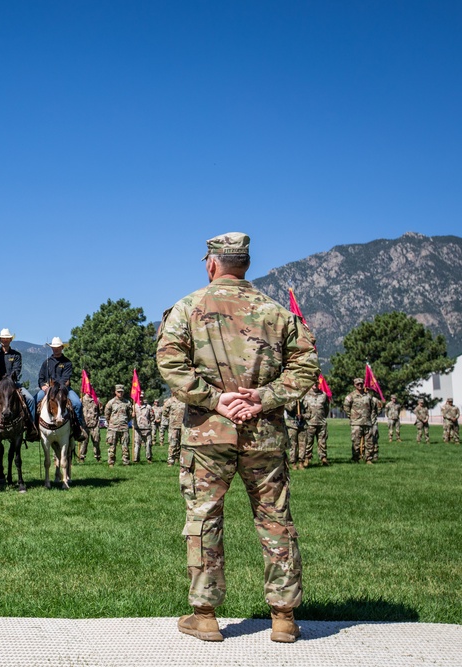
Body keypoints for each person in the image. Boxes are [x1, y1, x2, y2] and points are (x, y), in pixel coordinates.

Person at [156, 231, 317, 644]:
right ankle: (283, 617)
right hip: (264, 435)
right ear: (245, 264)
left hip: (208, 436)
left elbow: (170, 363)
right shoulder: (277, 313)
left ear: (212, 263)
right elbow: (304, 369)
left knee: (204, 517)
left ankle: (205, 615)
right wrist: (263, 398)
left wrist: (215, 400)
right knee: (275, 519)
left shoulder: (188, 308)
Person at [0, 329, 38, 441]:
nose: (5, 340)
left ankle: (31, 427)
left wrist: (9, 378)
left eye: (7, 338)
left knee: (30, 399)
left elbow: (17, 370)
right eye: (3, 338)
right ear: (0, 339)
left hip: (13, 383)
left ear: (10, 340)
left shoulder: (16, 355)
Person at [34, 338, 85, 440]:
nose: (56, 350)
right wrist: (43, 386)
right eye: (54, 348)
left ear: (62, 348)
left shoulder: (67, 363)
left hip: (63, 389)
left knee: (77, 404)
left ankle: (78, 428)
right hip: (47, 390)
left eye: (58, 348)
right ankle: (34, 429)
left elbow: (65, 379)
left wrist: (56, 387)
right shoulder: (46, 362)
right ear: (52, 348)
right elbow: (41, 378)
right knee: (34, 401)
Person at [344, 378, 380, 463]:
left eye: (361, 384)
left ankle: (368, 459)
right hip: (356, 423)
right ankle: (355, 458)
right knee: (356, 442)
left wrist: (370, 417)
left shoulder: (368, 396)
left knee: (369, 442)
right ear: (354, 385)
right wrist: (351, 416)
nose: (360, 385)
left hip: (367, 422)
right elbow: (346, 407)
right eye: (358, 384)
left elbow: (373, 407)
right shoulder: (350, 396)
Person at [300, 384, 330, 466]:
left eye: (316, 383)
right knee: (308, 442)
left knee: (322, 442)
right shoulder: (305, 395)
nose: (315, 385)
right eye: (313, 383)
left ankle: (323, 458)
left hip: (321, 423)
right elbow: (301, 408)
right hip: (309, 422)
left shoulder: (323, 395)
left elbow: (326, 408)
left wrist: (323, 417)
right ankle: (307, 458)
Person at [103, 385, 133, 467]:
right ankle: (111, 462)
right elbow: (107, 414)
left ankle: (126, 462)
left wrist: (125, 421)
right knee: (112, 446)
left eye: (122, 391)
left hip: (124, 427)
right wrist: (111, 422)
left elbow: (130, 415)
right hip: (113, 427)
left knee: (125, 446)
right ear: (115, 392)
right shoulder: (111, 402)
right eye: (118, 391)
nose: (120, 393)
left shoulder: (127, 403)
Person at [80, 392, 102, 462]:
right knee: (84, 441)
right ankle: (82, 457)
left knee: (96, 440)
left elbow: (100, 412)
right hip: (84, 424)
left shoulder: (96, 400)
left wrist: (101, 408)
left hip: (94, 424)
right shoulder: (81, 400)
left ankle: (97, 456)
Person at [283, 401, 305, 468]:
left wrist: (303, 415)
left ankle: (301, 461)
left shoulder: (303, 400)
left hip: (302, 424)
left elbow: (309, 412)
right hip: (292, 425)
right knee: (293, 444)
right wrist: (295, 401)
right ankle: (293, 462)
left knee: (302, 444)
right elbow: (289, 408)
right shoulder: (288, 400)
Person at [166, 396, 186, 467]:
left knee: (183, 444)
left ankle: (181, 460)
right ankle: (171, 461)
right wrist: (172, 418)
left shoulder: (185, 400)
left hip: (184, 426)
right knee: (173, 444)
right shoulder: (170, 401)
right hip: (173, 426)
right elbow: (165, 412)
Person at [133, 399, 154, 463]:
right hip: (137, 428)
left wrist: (147, 422)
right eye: (139, 397)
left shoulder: (148, 407)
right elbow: (129, 415)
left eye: (142, 397)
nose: (140, 399)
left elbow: (152, 416)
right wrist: (132, 415)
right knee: (137, 444)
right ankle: (136, 459)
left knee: (148, 444)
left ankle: (149, 458)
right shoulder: (134, 406)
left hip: (147, 428)